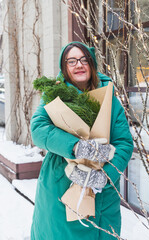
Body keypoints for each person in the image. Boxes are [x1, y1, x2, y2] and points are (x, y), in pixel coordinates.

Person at [30, 41, 133, 240]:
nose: (79, 65)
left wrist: (105, 176)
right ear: (64, 68)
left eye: (84, 59)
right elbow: (38, 130)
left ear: (91, 64)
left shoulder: (109, 97)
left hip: (101, 191)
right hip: (61, 182)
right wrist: (75, 146)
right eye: (72, 61)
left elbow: (124, 143)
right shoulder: (54, 94)